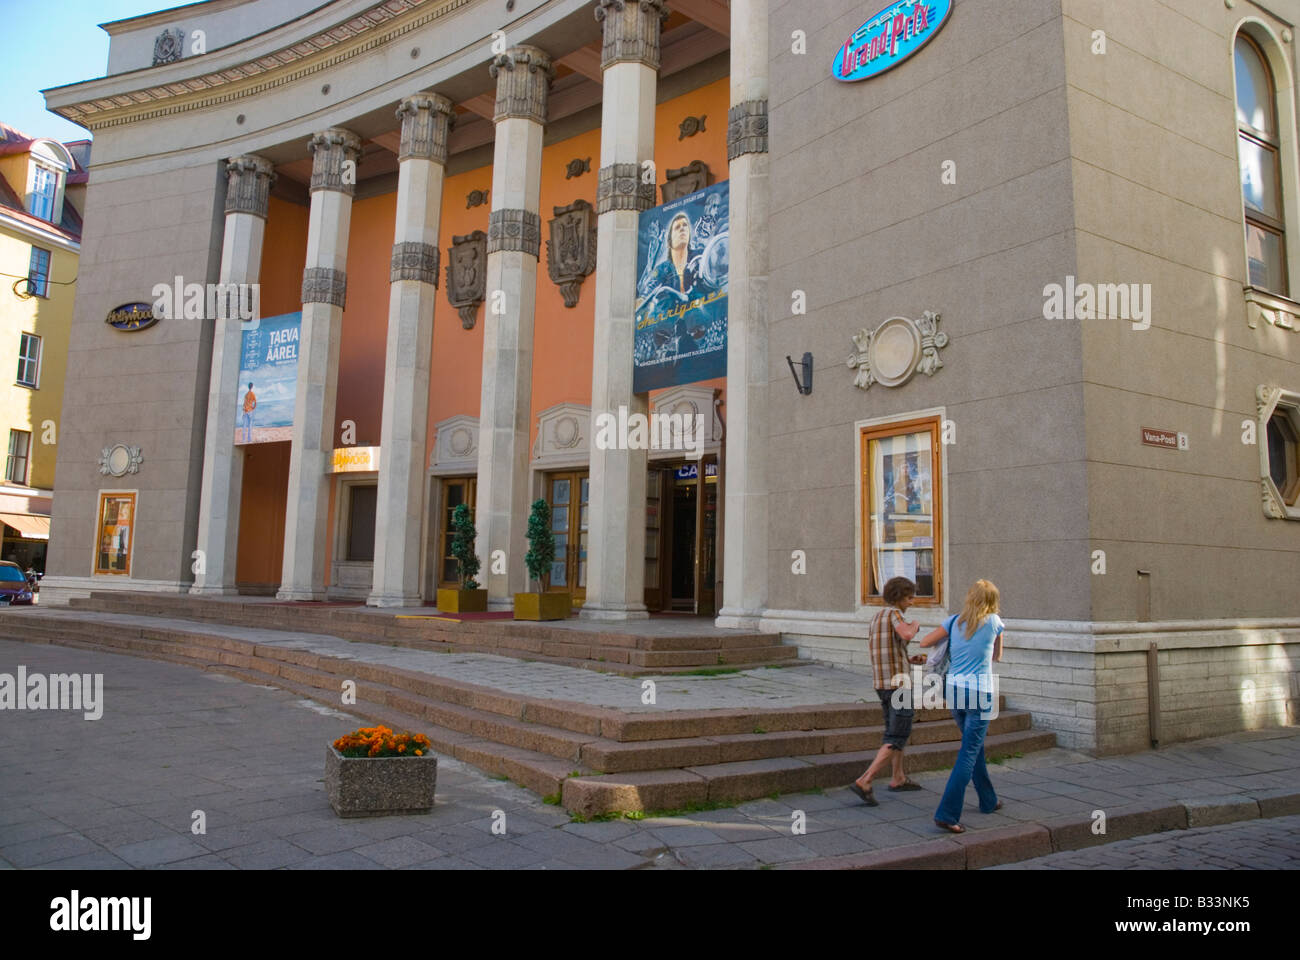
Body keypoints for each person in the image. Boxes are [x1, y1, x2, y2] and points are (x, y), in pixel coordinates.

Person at [922, 579, 1006, 833]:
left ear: (970, 597)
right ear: (992, 601)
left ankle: (988, 800)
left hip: (954, 690)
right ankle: (947, 813)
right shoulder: (995, 623)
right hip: (979, 692)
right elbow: (997, 657)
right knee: (968, 752)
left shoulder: (954, 621)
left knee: (973, 746)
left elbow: (925, 642)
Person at [849, 576, 927, 805]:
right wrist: (915, 624)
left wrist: (908, 658)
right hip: (899, 686)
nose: (912, 602)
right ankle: (865, 780)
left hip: (882, 684)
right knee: (898, 734)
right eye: (910, 597)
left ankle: (898, 777)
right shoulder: (895, 614)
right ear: (899, 597)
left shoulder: (875, 617)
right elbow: (907, 634)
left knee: (893, 731)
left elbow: (887, 650)